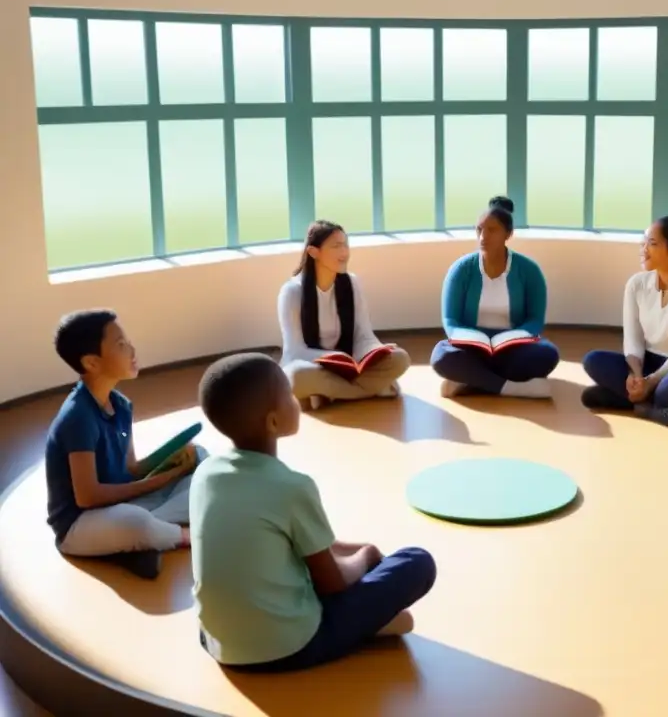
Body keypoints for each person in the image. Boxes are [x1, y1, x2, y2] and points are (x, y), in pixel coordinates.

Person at [190, 352, 436, 672]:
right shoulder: (292, 487)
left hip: (220, 644)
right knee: (417, 562)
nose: (296, 401)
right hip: (289, 648)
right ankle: (365, 626)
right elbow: (331, 584)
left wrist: (353, 550)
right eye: (289, 396)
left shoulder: (205, 473)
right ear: (273, 422)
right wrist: (365, 557)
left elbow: (294, 545)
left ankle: (365, 621)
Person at [45, 310, 200, 580]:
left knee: (201, 459)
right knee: (134, 523)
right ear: (92, 363)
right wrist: (165, 478)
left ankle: (140, 544)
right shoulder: (77, 417)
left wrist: (172, 460)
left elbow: (131, 469)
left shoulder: (121, 405)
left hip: (121, 504)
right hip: (81, 525)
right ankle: (183, 536)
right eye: (120, 344)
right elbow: (88, 497)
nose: (132, 348)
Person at [580, 216, 668, 428]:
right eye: (643, 243)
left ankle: (629, 400)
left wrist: (651, 381)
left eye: (652, 244)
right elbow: (633, 338)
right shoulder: (636, 284)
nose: (643, 249)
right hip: (645, 364)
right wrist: (636, 373)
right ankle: (653, 407)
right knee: (593, 360)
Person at [430, 196, 560, 398]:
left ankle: (471, 380)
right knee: (441, 356)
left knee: (548, 354)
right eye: (479, 229)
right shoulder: (460, 270)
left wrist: (513, 337)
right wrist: (471, 337)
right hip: (473, 348)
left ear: (508, 234)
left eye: (491, 230)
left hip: (512, 348)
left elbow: (535, 320)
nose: (483, 237)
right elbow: (450, 320)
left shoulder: (530, 270)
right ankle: (511, 387)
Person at [278, 220, 410, 410]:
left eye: (346, 245)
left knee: (400, 358)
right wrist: (335, 358)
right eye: (336, 246)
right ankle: (372, 389)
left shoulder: (352, 283)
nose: (344, 252)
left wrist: (377, 349)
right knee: (297, 377)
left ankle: (334, 393)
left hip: (350, 365)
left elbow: (363, 335)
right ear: (314, 252)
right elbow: (294, 351)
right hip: (312, 365)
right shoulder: (292, 292)